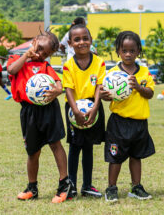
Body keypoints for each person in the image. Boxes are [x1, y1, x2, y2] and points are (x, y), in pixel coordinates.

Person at [7, 31, 74, 203]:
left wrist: (58, 90)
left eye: (46, 54)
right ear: (34, 41)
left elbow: (59, 84)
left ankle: (64, 184)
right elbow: (12, 70)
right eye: (40, 49)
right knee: (32, 151)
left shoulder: (45, 67)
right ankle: (32, 187)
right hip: (29, 112)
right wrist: (26, 55)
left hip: (48, 109)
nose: (41, 54)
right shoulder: (16, 59)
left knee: (55, 144)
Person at [100, 31, 155, 202]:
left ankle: (136, 187)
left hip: (139, 121)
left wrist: (138, 87)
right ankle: (111, 188)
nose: (128, 54)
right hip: (119, 122)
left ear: (138, 51)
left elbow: (150, 93)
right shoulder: (113, 72)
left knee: (136, 156)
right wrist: (105, 95)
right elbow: (103, 93)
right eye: (124, 50)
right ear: (118, 51)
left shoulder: (144, 72)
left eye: (132, 50)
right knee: (115, 157)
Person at [62, 24, 105, 198]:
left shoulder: (99, 62)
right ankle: (71, 185)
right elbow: (68, 89)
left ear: (91, 40)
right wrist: (76, 112)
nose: (82, 42)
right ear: (70, 44)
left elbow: (99, 86)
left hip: (92, 106)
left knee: (88, 146)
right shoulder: (68, 65)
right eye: (77, 39)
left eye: (85, 38)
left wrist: (95, 108)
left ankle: (87, 185)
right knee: (74, 146)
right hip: (74, 108)